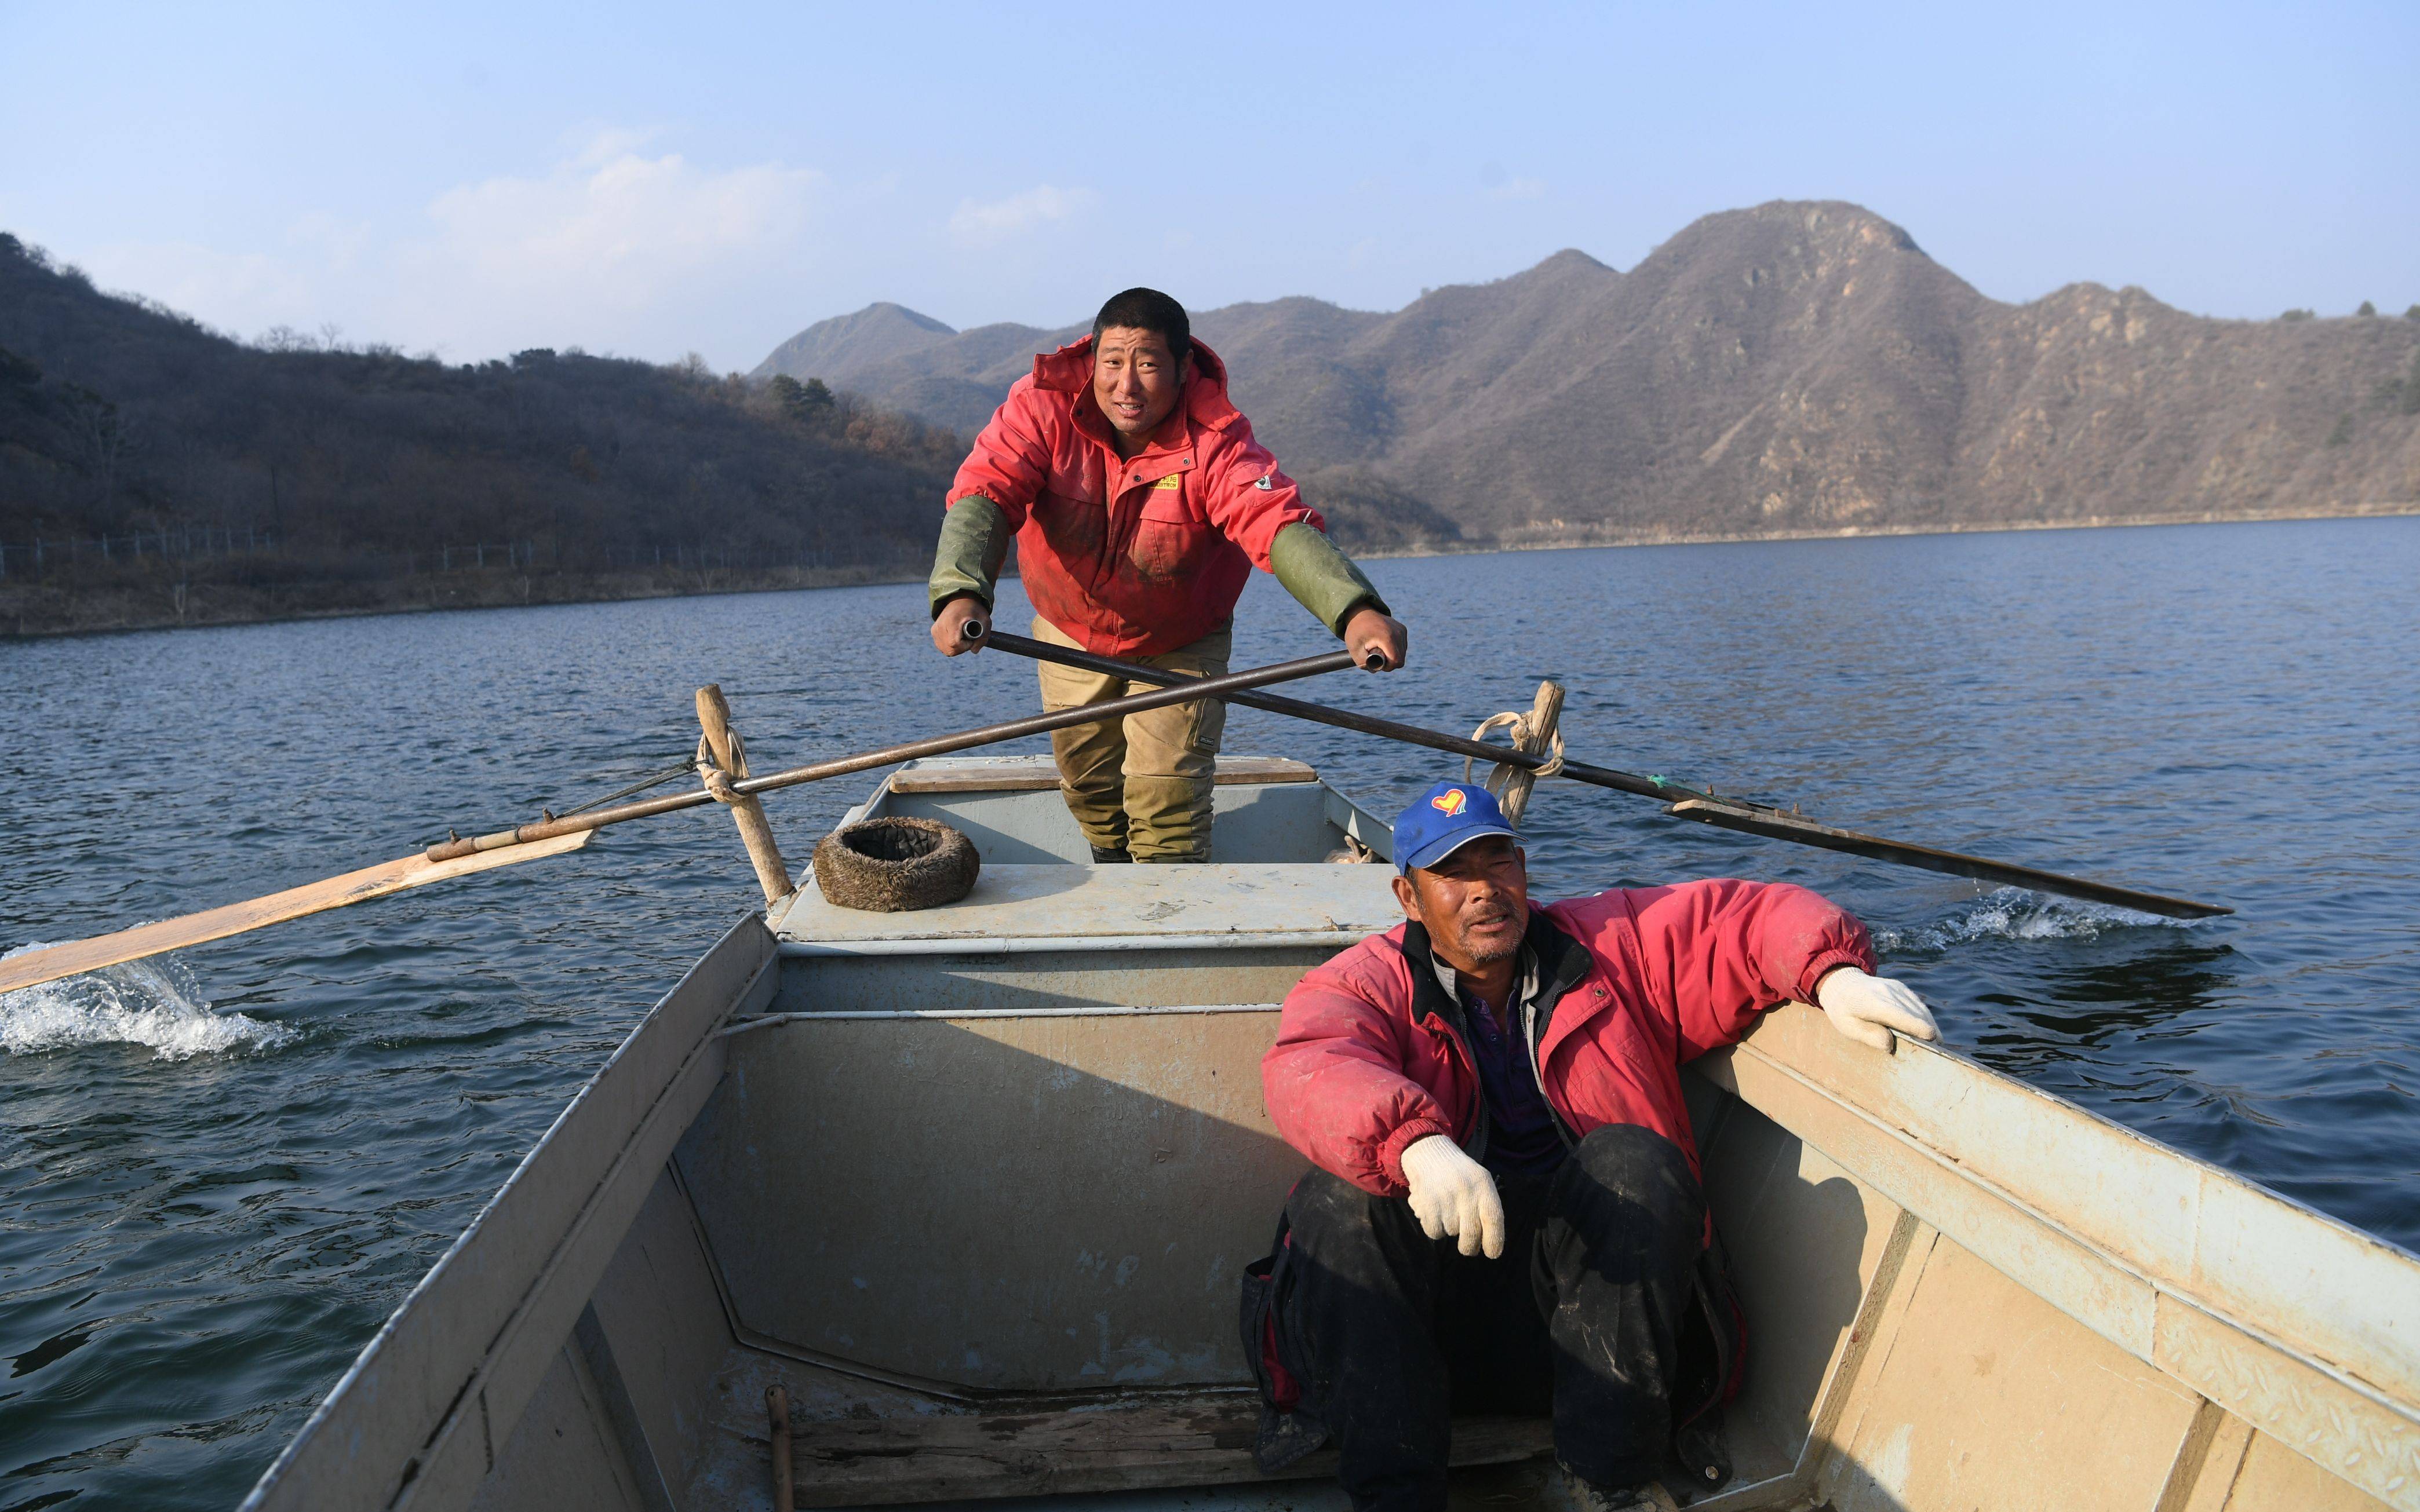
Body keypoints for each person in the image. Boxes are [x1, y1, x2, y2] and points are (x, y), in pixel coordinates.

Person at [1255, 781, 1938, 1512]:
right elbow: (1313, 1063)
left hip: (1590, 1331)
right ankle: (1395, 1497)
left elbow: (1741, 922)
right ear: (1409, 897)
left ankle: (1612, 1483)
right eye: (1454, 875)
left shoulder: (1610, 949)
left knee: (1635, 1165)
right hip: (1421, 1335)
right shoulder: (1364, 984)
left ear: (1523, 870)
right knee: (1339, 1203)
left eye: (1499, 864)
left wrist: (1830, 974)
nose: (1484, 891)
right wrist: (1416, 1145)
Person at [927, 287, 1408, 863]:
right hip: (1069, 629)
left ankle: (1171, 913)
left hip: (1182, 640)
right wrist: (960, 589)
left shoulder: (1218, 439)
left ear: (1182, 370)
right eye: (1112, 363)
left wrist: (1354, 609)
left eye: (1148, 364)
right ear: (1092, 362)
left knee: (1166, 804)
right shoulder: (1040, 409)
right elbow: (986, 491)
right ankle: (1112, 875)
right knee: (1091, 789)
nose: (1126, 384)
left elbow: (1274, 522)